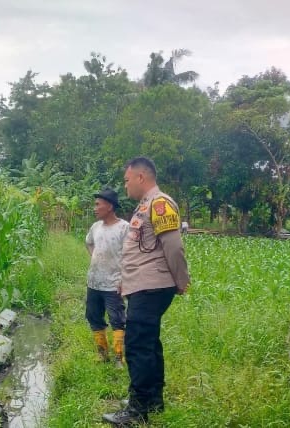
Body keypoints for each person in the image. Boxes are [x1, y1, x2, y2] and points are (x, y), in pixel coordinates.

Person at [102, 157, 190, 426]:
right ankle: (153, 399)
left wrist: (181, 280)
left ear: (141, 177)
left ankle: (137, 410)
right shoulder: (145, 205)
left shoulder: (160, 204)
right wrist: (125, 280)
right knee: (149, 343)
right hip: (142, 285)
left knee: (138, 345)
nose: (125, 185)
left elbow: (173, 247)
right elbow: (139, 250)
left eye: (127, 180)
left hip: (152, 287)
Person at [85, 188, 129, 367]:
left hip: (113, 284)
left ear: (109, 206)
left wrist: (124, 279)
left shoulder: (124, 228)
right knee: (94, 317)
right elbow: (89, 243)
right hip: (94, 282)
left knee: (117, 319)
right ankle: (102, 354)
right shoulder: (95, 227)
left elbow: (130, 256)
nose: (94, 208)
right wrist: (95, 257)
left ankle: (119, 357)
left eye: (98, 205)